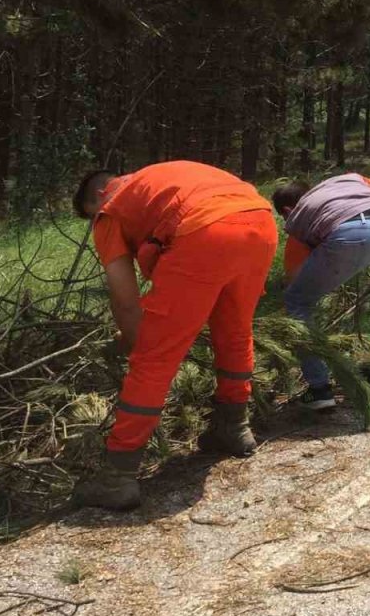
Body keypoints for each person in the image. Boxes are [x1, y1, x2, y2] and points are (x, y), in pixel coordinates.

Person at [71, 161, 279, 510]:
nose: (96, 224)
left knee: (154, 358)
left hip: (205, 232)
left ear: (97, 198)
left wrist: (139, 350)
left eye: (91, 217)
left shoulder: (111, 208)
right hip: (260, 221)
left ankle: (117, 476)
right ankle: (234, 425)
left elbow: (125, 301)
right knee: (234, 331)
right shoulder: (160, 179)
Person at [274, 173, 370, 410]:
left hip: (350, 237)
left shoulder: (299, 217)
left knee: (296, 303)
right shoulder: (349, 180)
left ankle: (319, 389)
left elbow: (294, 281)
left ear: (288, 210)